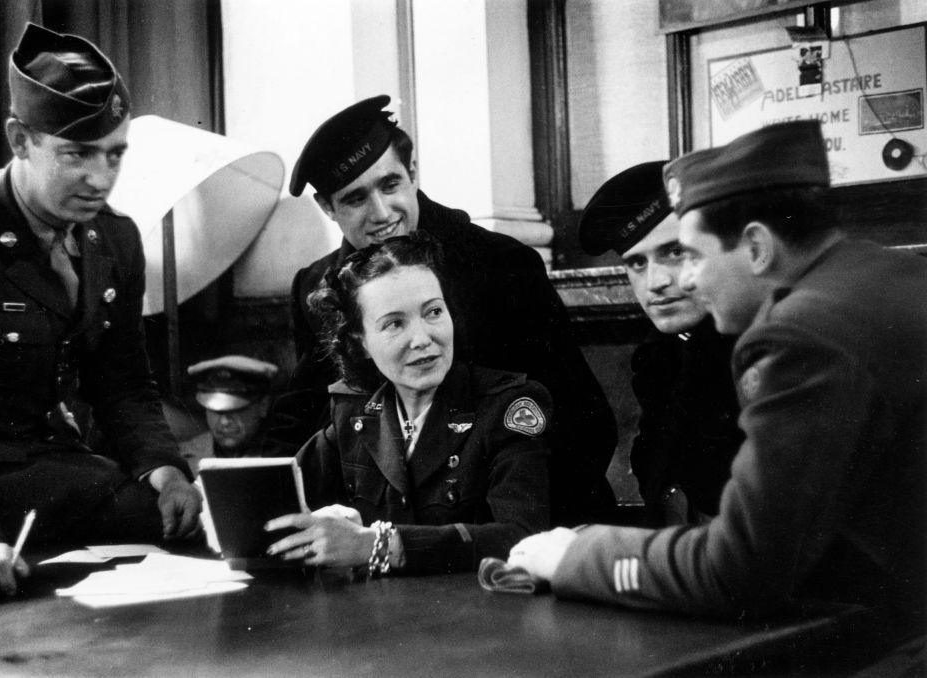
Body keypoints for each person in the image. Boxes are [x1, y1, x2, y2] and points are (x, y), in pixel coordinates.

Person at [508, 121, 926, 632]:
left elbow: (740, 570)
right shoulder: (885, 278)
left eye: (693, 256)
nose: (682, 281)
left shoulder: (801, 337)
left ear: (756, 246)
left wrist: (575, 555)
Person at [0, 23, 201, 599]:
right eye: (77, 154)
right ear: (19, 139)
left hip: (55, 474)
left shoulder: (114, 240)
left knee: (172, 521)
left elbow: (124, 382)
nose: (101, 179)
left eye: (115, 155)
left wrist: (164, 469)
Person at [264, 95, 616, 526]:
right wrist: (245, 499)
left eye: (390, 185)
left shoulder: (500, 265)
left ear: (412, 175)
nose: (381, 213)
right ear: (327, 208)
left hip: (521, 528)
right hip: (393, 534)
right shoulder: (319, 288)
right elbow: (301, 415)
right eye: (355, 198)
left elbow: (584, 421)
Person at [265, 235, 550, 574]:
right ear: (360, 343)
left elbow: (523, 538)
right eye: (395, 323)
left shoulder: (508, 406)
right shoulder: (352, 413)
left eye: (433, 312)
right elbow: (272, 496)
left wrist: (377, 545)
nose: (423, 338)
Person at [579, 162, 742, 526]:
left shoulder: (766, 349)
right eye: (637, 262)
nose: (655, 282)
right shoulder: (661, 356)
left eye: (674, 252)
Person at [185, 355, 279, 457]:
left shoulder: (285, 455)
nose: (224, 422)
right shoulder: (186, 458)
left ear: (263, 406)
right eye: (215, 411)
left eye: (236, 409)